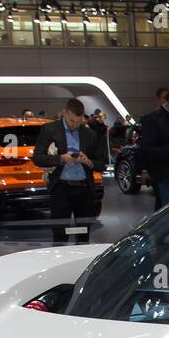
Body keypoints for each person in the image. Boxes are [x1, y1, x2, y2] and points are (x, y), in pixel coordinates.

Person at [33, 97, 107, 242]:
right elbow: (38, 158)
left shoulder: (89, 134)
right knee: (60, 236)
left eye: (79, 122)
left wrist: (89, 162)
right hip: (60, 189)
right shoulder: (50, 130)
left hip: (85, 189)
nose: (75, 125)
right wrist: (61, 158)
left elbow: (102, 163)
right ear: (64, 113)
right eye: (72, 121)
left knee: (84, 236)